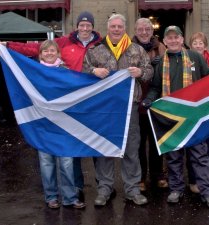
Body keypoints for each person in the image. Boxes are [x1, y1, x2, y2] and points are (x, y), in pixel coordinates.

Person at [5, 11, 102, 199]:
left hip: (92, 100)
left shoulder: (100, 44)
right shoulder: (64, 42)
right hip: (68, 103)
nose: (84, 28)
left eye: (87, 25)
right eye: (81, 25)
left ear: (92, 27)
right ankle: (76, 187)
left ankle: (102, 186)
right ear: (76, 26)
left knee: (95, 142)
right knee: (72, 147)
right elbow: (36, 48)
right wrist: (8, 46)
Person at [142, 25, 209, 209]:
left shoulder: (195, 57)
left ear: (182, 39)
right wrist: (149, 99)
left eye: (176, 37)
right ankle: (176, 189)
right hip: (171, 118)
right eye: (169, 38)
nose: (173, 40)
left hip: (194, 118)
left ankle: (207, 192)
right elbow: (155, 87)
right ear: (164, 41)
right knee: (174, 156)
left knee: (200, 156)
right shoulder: (161, 62)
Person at [82, 14, 153, 206]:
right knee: (105, 147)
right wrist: (93, 71)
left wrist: (140, 73)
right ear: (108, 28)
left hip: (130, 107)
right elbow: (83, 70)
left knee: (131, 148)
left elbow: (149, 71)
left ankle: (132, 189)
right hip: (104, 108)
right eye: (113, 26)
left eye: (119, 26)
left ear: (124, 28)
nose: (116, 29)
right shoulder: (96, 50)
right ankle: (105, 188)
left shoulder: (136, 49)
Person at [35, 40, 86, 209]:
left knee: (66, 161)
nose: (49, 53)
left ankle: (70, 197)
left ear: (58, 53)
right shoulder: (34, 72)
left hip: (64, 123)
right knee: (46, 162)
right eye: (45, 51)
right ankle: (51, 196)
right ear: (40, 54)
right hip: (43, 123)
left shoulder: (66, 72)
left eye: (52, 51)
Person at [132, 18, 168, 192]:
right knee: (138, 143)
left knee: (156, 142)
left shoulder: (161, 47)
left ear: (152, 30)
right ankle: (140, 177)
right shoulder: (128, 47)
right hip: (136, 102)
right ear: (135, 30)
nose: (144, 32)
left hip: (156, 103)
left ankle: (158, 174)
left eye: (147, 29)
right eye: (141, 29)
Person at [187, 31, 209, 194]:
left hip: (208, 108)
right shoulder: (187, 59)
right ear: (190, 45)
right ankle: (194, 180)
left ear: (205, 45)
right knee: (193, 145)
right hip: (193, 107)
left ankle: (207, 178)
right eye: (195, 43)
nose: (198, 45)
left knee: (208, 146)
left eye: (201, 43)